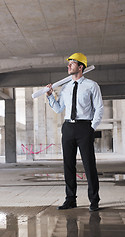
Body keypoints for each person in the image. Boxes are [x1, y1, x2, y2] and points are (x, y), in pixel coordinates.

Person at [46, 53, 103, 212]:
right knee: (68, 165)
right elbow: (58, 109)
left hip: (85, 127)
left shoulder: (92, 86)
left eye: (72, 63)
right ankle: (70, 199)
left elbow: (99, 107)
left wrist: (92, 127)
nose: (68, 66)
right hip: (68, 127)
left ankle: (94, 200)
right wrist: (51, 96)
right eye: (68, 64)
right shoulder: (65, 88)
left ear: (81, 67)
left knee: (89, 165)